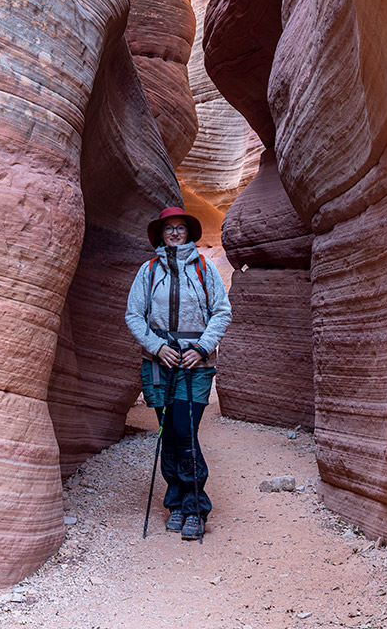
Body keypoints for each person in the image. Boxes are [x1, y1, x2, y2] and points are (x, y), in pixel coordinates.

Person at [125, 205, 232, 540]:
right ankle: (175, 503)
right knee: (168, 433)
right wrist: (157, 347)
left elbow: (221, 311)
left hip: (195, 364)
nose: (174, 233)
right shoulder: (149, 270)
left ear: (189, 233)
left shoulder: (204, 268)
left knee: (185, 432)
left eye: (180, 228)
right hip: (159, 363)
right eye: (168, 228)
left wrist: (201, 348)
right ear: (161, 233)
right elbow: (134, 315)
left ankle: (195, 506)